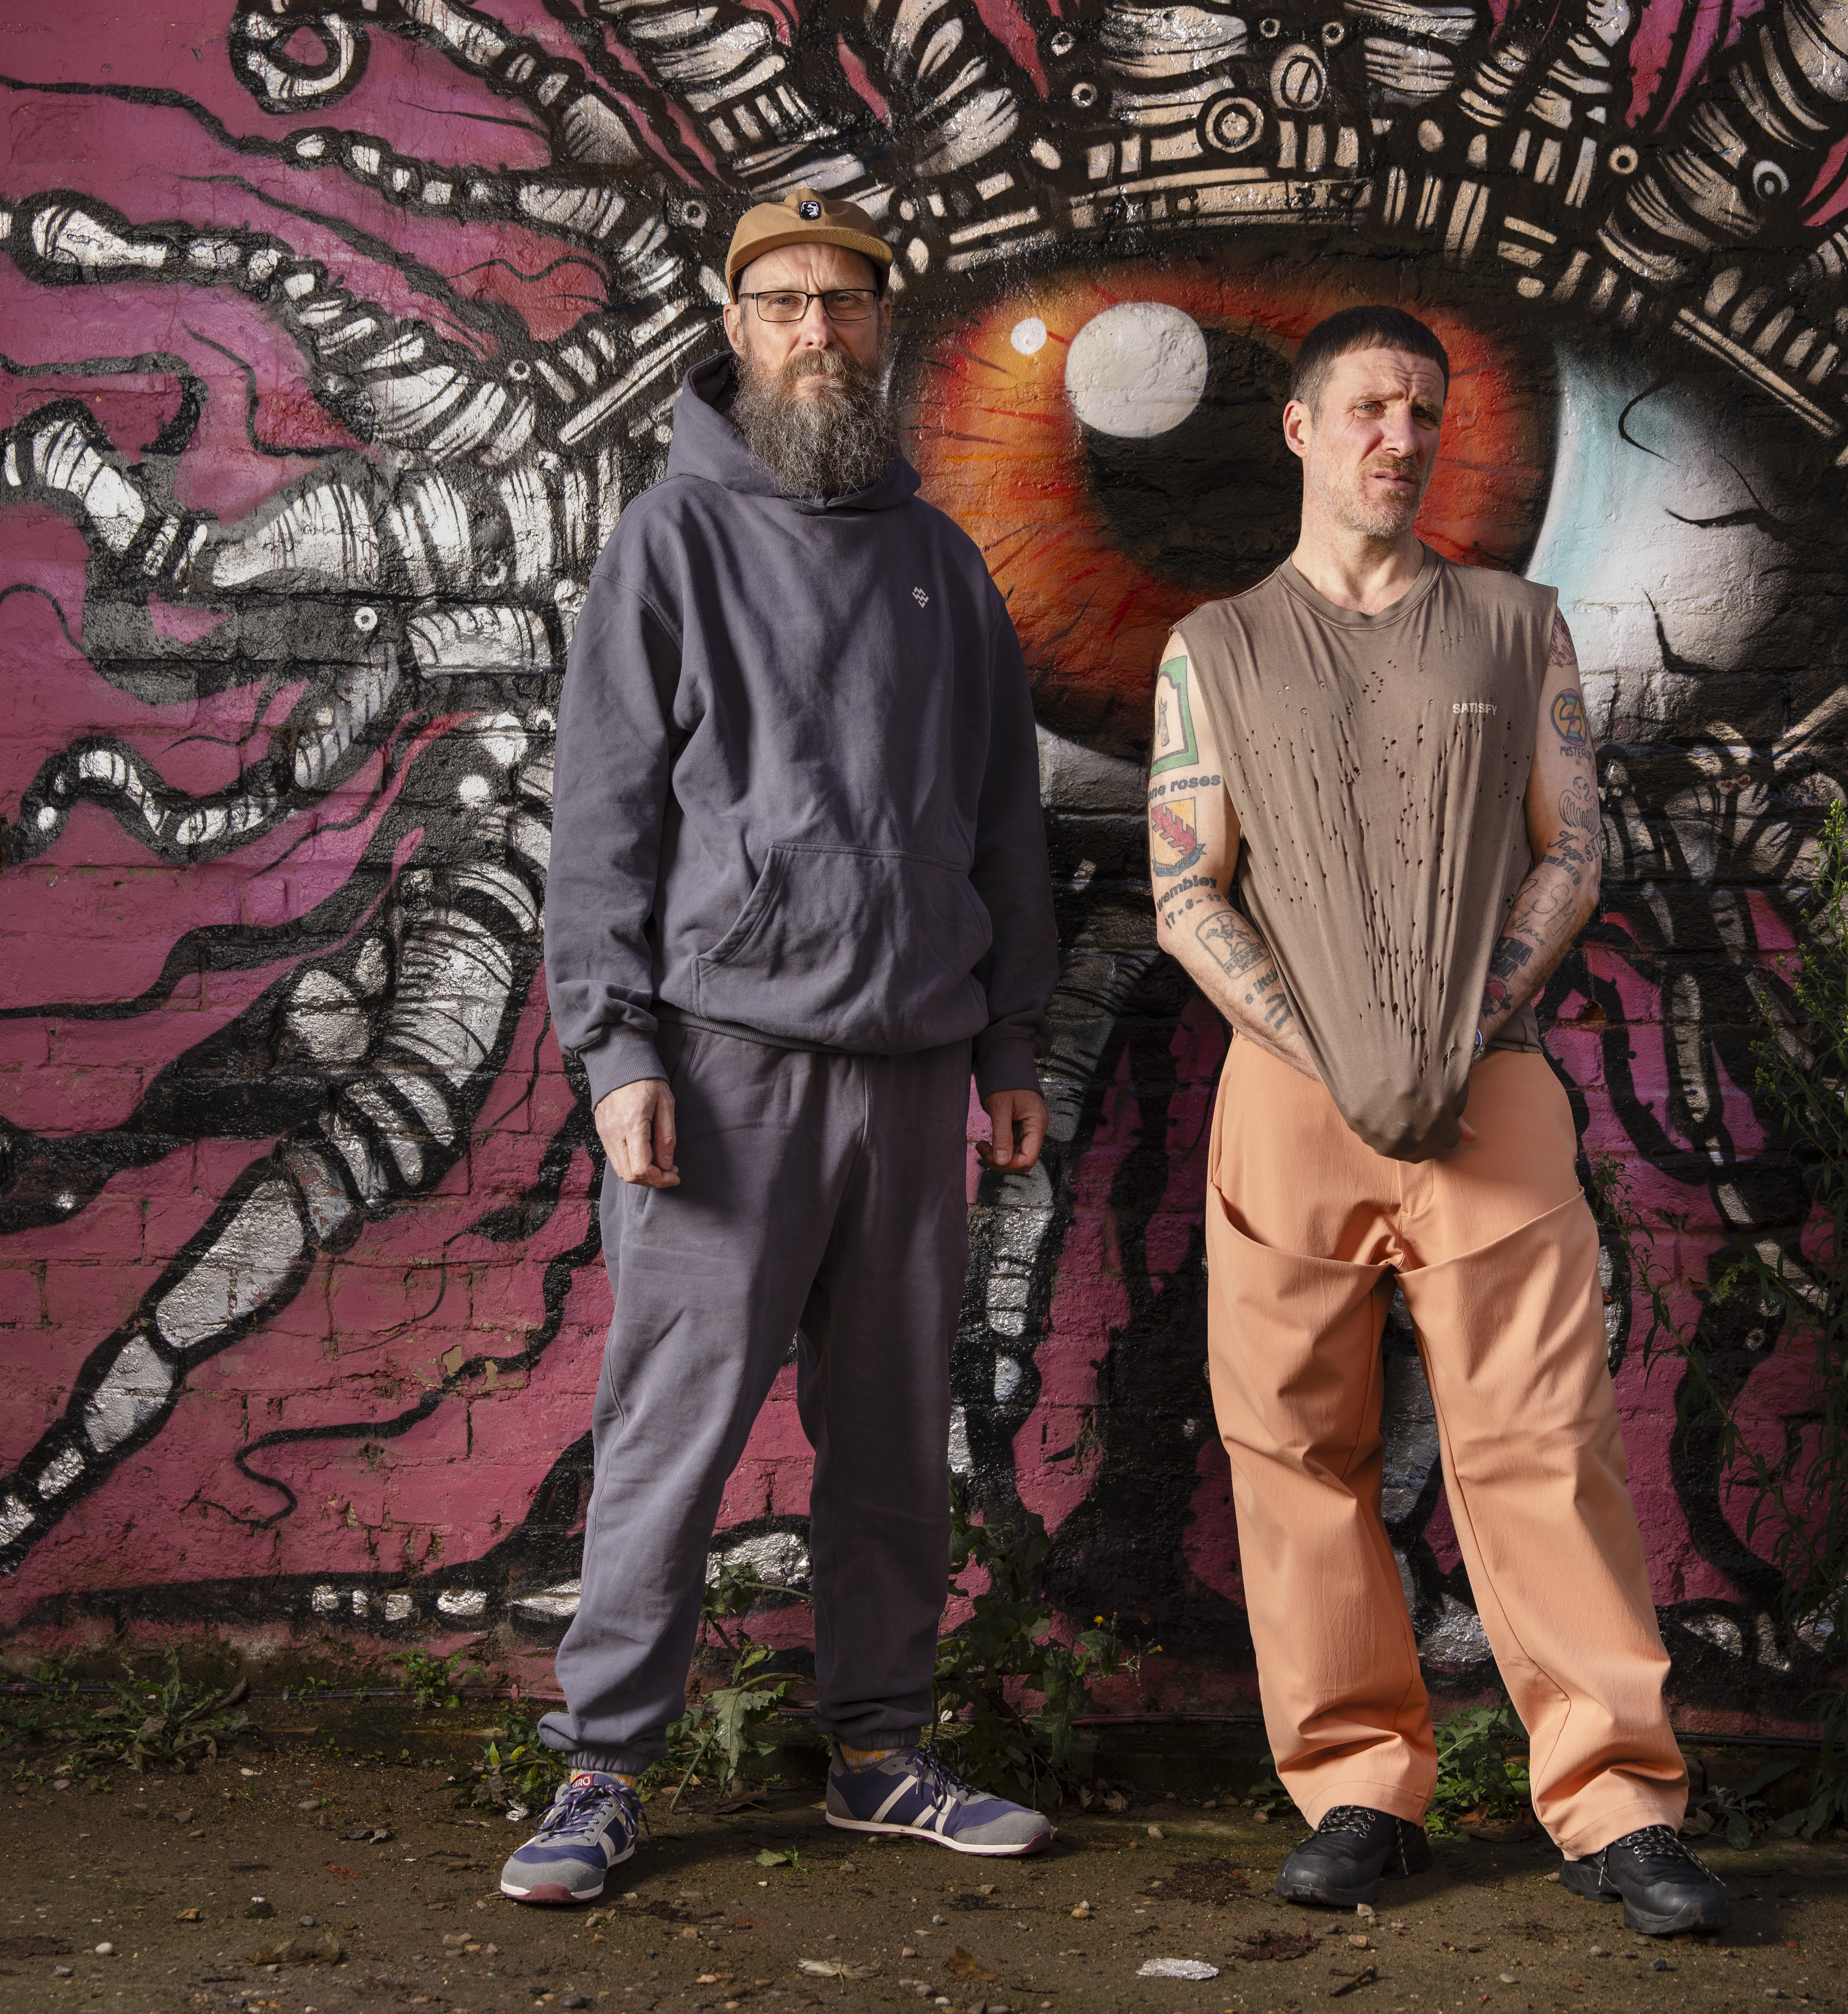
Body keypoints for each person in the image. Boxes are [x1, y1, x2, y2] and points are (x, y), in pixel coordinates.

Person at [1148, 305, 1732, 1937]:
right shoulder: (1219, 646)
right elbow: (1183, 886)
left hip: (1496, 1092)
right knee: (1296, 1451)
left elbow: (1576, 852)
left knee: (1541, 1445)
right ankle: (1357, 1786)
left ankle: (1617, 1800)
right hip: (1289, 1102)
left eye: (1422, 410)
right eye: (1366, 408)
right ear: (1300, 430)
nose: (1397, 436)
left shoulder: (1512, 626)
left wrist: (1464, 1023)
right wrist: (1328, 1049)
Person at [516, 187, 1060, 1903]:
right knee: (672, 1431)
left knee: (899, 1437)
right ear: (732, 325)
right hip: (722, 1069)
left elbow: (1001, 820)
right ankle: (604, 1766)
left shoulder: (940, 563)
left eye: (843, 302)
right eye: (783, 304)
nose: (816, 330)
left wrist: (1016, 1042)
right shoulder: (668, 542)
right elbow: (600, 819)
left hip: (915, 1066)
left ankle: (882, 1746)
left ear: (883, 328)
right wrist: (615, 1053)